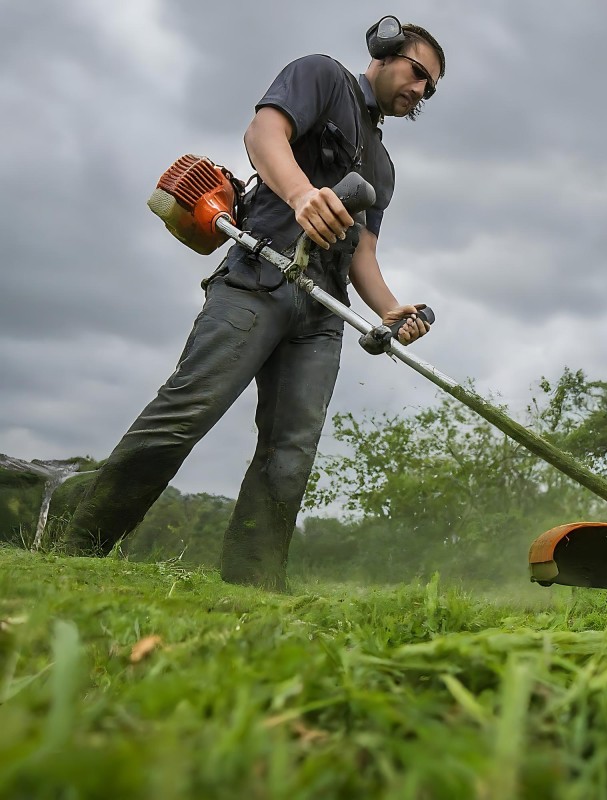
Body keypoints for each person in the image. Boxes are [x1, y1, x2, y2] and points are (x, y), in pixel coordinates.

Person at [62, 18, 446, 591]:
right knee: (186, 412)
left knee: (289, 454)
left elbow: (363, 249)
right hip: (258, 277)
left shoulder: (383, 168)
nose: (419, 90)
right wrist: (301, 194)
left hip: (322, 312)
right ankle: (76, 551)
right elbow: (262, 135)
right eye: (417, 71)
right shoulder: (321, 76)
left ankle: (255, 584)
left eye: (430, 88)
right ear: (385, 53)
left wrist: (389, 310)